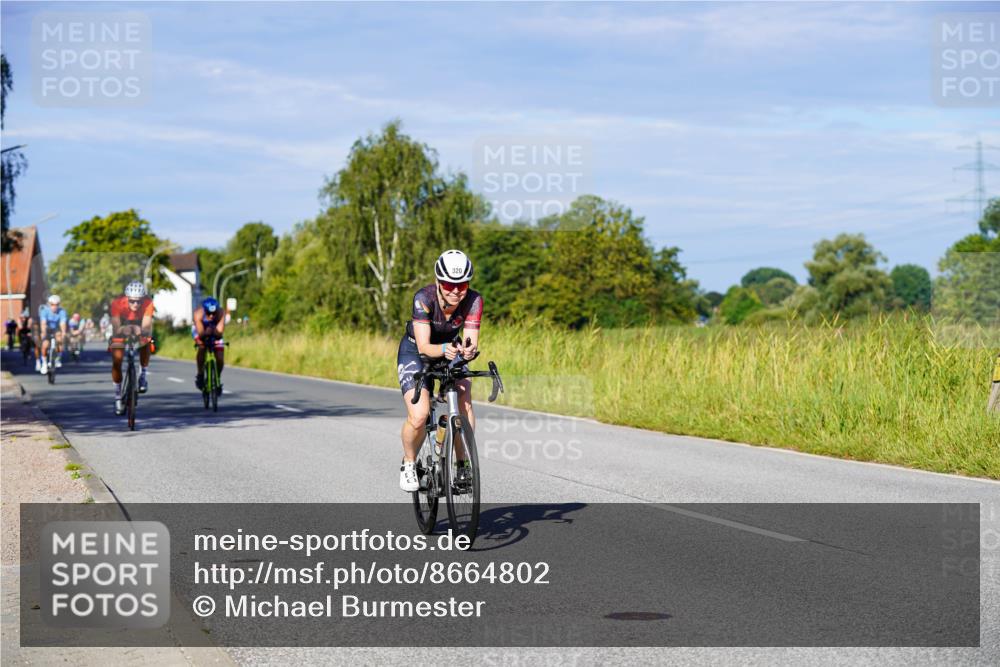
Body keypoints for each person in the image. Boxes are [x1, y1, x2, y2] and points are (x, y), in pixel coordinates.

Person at [397, 249, 482, 492]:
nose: (456, 291)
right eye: (448, 284)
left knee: (464, 397)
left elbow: (470, 340)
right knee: (419, 415)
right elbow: (424, 347)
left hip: (450, 350)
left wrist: (468, 351)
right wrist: (446, 348)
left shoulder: (474, 300)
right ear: (438, 281)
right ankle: (409, 462)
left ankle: (463, 463)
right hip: (416, 352)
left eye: (462, 284)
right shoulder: (423, 298)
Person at [109, 281, 155, 414]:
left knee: (147, 341)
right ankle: (118, 396)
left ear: (143, 300)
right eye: (132, 301)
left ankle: (143, 375)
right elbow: (116, 327)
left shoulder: (148, 303)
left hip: (139, 327)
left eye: (139, 301)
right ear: (127, 298)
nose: (136, 304)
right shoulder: (117, 303)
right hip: (122, 329)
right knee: (117, 360)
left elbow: (146, 326)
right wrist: (126, 329)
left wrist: (139, 330)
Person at [192, 297, 226, 392]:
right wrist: (205, 335)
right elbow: (201, 334)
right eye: (208, 313)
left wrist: (214, 333)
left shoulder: (221, 313)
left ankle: (217, 378)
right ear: (204, 310)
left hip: (214, 330)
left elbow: (219, 334)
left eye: (214, 313)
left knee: (220, 357)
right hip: (200, 330)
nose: (211, 316)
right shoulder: (198, 314)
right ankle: (200, 374)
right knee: (202, 347)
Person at [38, 295, 68, 374]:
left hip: (56, 329)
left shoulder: (62, 312)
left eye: (56, 305)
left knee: (59, 339)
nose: (54, 307)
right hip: (47, 329)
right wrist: (43, 332)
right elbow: (43, 323)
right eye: (52, 305)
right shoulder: (44, 311)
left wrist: (64, 332)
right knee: (45, 345)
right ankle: (44, 363)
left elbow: (62, 323)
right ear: (49, 304)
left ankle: (58, 358)